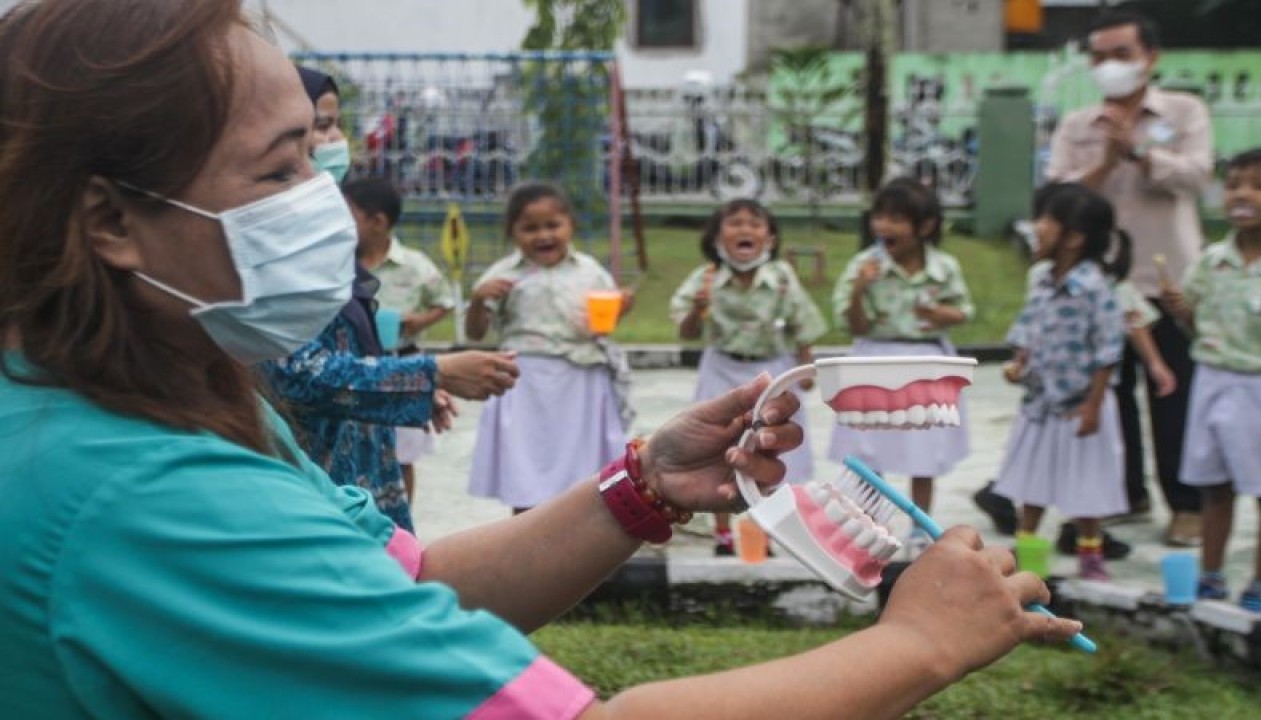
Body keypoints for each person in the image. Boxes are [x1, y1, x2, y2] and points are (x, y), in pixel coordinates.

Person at [0, 2, 1087, 716]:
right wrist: (920, 644)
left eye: (320, 156)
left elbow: (403, 586)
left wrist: (638, 491)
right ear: (110, 218)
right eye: (279, 171)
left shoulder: (138, 387)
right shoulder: (149, 497)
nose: (325, 207)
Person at [263, 66, 514, 532]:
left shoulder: (324, 234)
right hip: (313, 474)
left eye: (337, 123)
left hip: (361, 465)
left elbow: (348, 351)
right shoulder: (270, 242)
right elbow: (296, 374)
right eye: (321, 126)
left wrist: (405, 385)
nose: (337, 139)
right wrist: (429, 373)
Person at [1045, 9, 1213, 546]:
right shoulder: (1078, 125)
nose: (1109, 67)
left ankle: (1185, 504)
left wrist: (1139, 152)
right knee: (1109, 396)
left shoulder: (1184, 112)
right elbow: (1056, 198)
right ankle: (1125, 493)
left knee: (1173, 395)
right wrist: (1105, 160)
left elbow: (1197, 175)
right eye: (1099, 57)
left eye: (1121, 55)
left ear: (1150, 58)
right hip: (1100, 287)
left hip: (1169, 282)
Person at [669, 198, 828, 557]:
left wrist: (806, 369)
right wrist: (697, 308)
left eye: (755, 224)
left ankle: (765, 532)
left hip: (771, 371)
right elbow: (688, 331)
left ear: (769, 238)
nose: (744, 230)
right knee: (721, 447)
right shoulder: (705, 278)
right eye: (734, 223)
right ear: (716, 237)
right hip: (722, 368)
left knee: (771, 447)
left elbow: (802, 321)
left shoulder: (782, 276)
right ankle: (723, 533)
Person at [465, 182, 634, 514]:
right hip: (525, 384)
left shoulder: (589, 271)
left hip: (580, 380)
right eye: (530, 228)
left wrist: (621, 306)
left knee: (583, 470)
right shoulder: (503, 276)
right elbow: (475, 333)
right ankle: (528, 538)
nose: (543, 235)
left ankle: (581, 546)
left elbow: (603, 322)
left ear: (570, 225)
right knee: (526, 466)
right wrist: (477, 299)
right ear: (513, 233)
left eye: (552, 225)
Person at [1161, 148, 1261, 615]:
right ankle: (1210, 575)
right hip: (1212, 382)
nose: (1242, 195)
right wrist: (1181, 312)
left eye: (1258, 184)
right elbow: (1199, 324)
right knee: (1213, 486)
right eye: (1233, 185)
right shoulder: (1210, 262)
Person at [829, 178, 973, 558]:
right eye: (879, 217)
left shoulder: (944, 266)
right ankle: (868, 527)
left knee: (921, 448)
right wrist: (860, 289)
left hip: (926, 361)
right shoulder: (864, 265)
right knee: (870, 448)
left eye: (896, 219)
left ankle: (921, 529)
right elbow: (853, 325)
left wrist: (942, 313)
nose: (883, 227)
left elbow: (963, 311)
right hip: (874, 359)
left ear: (925, 226)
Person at [994, 184, 1129, 581]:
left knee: (1085, 485)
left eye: (1045, 220)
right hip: (1041, 401)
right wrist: (1020, 360)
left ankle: (1091, 555)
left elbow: (1108, 351)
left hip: (1080, 403)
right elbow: (1029, 327)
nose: (1036, 227)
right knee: (1031, 480)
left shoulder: (1095, 288)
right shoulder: (1040, 278)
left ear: (1073, 237)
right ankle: (1027, 553)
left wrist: (1093, 406)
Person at [345, 176, 456, 502]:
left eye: (346, 214)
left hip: (401, 358)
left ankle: (401, 517)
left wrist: (419, 321)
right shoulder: (341, 263)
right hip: (358, 364)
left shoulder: (414, 264)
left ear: (378, 221)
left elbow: (444, 302)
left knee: (402, 453)